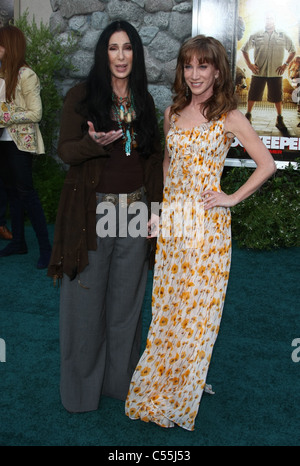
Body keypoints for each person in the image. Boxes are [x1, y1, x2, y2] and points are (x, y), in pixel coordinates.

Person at [125, 35, 276, 431]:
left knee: (198, 312)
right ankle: (165, 378)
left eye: (203, 66)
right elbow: (168, 168)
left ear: (217, 70)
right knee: (168, 307)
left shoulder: (230, 116)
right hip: (174, 226)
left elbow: (267, 165)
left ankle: (184, 384)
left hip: (207, 229)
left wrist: (230, 198)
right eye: (188, 66)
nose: (195, 74)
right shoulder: (173, 112)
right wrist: (160, 214)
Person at [47, 21, 163, 413]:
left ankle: (120, 386)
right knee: (85, 306)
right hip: (92, 214)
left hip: (135, 212)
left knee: (126, 305)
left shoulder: (144, 100)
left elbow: (153, 162)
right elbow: (64, 151)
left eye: (127, 48)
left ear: (136, 54)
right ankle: (81, 395)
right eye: (113, 48)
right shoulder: (82, 97)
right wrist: (90, 144)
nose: (120, 56)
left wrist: (157, 210)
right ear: (103, 53)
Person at [0, 25, 52, 268]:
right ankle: (19, 242)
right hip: (3, 142)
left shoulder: (26, 75)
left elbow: (36, 112)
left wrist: (5, 116)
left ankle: (46, 249)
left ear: (9, 46)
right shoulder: (2, 74)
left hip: (20, 144)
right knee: (12, 193)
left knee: (27, 195)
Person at [241, 13, 296, 133]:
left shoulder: (283, 35)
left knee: (278, 97)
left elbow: (293, 50)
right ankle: (248, 116)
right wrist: (250, 65)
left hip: (275, 73)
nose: (268, 20)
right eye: (266, 18)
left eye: (270, 18)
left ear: (275, 20)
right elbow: (244, 49)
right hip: (258, 72)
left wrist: (285, 65)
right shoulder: (256, 35)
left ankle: (279, 119)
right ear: (264, 20)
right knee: (253, 95)